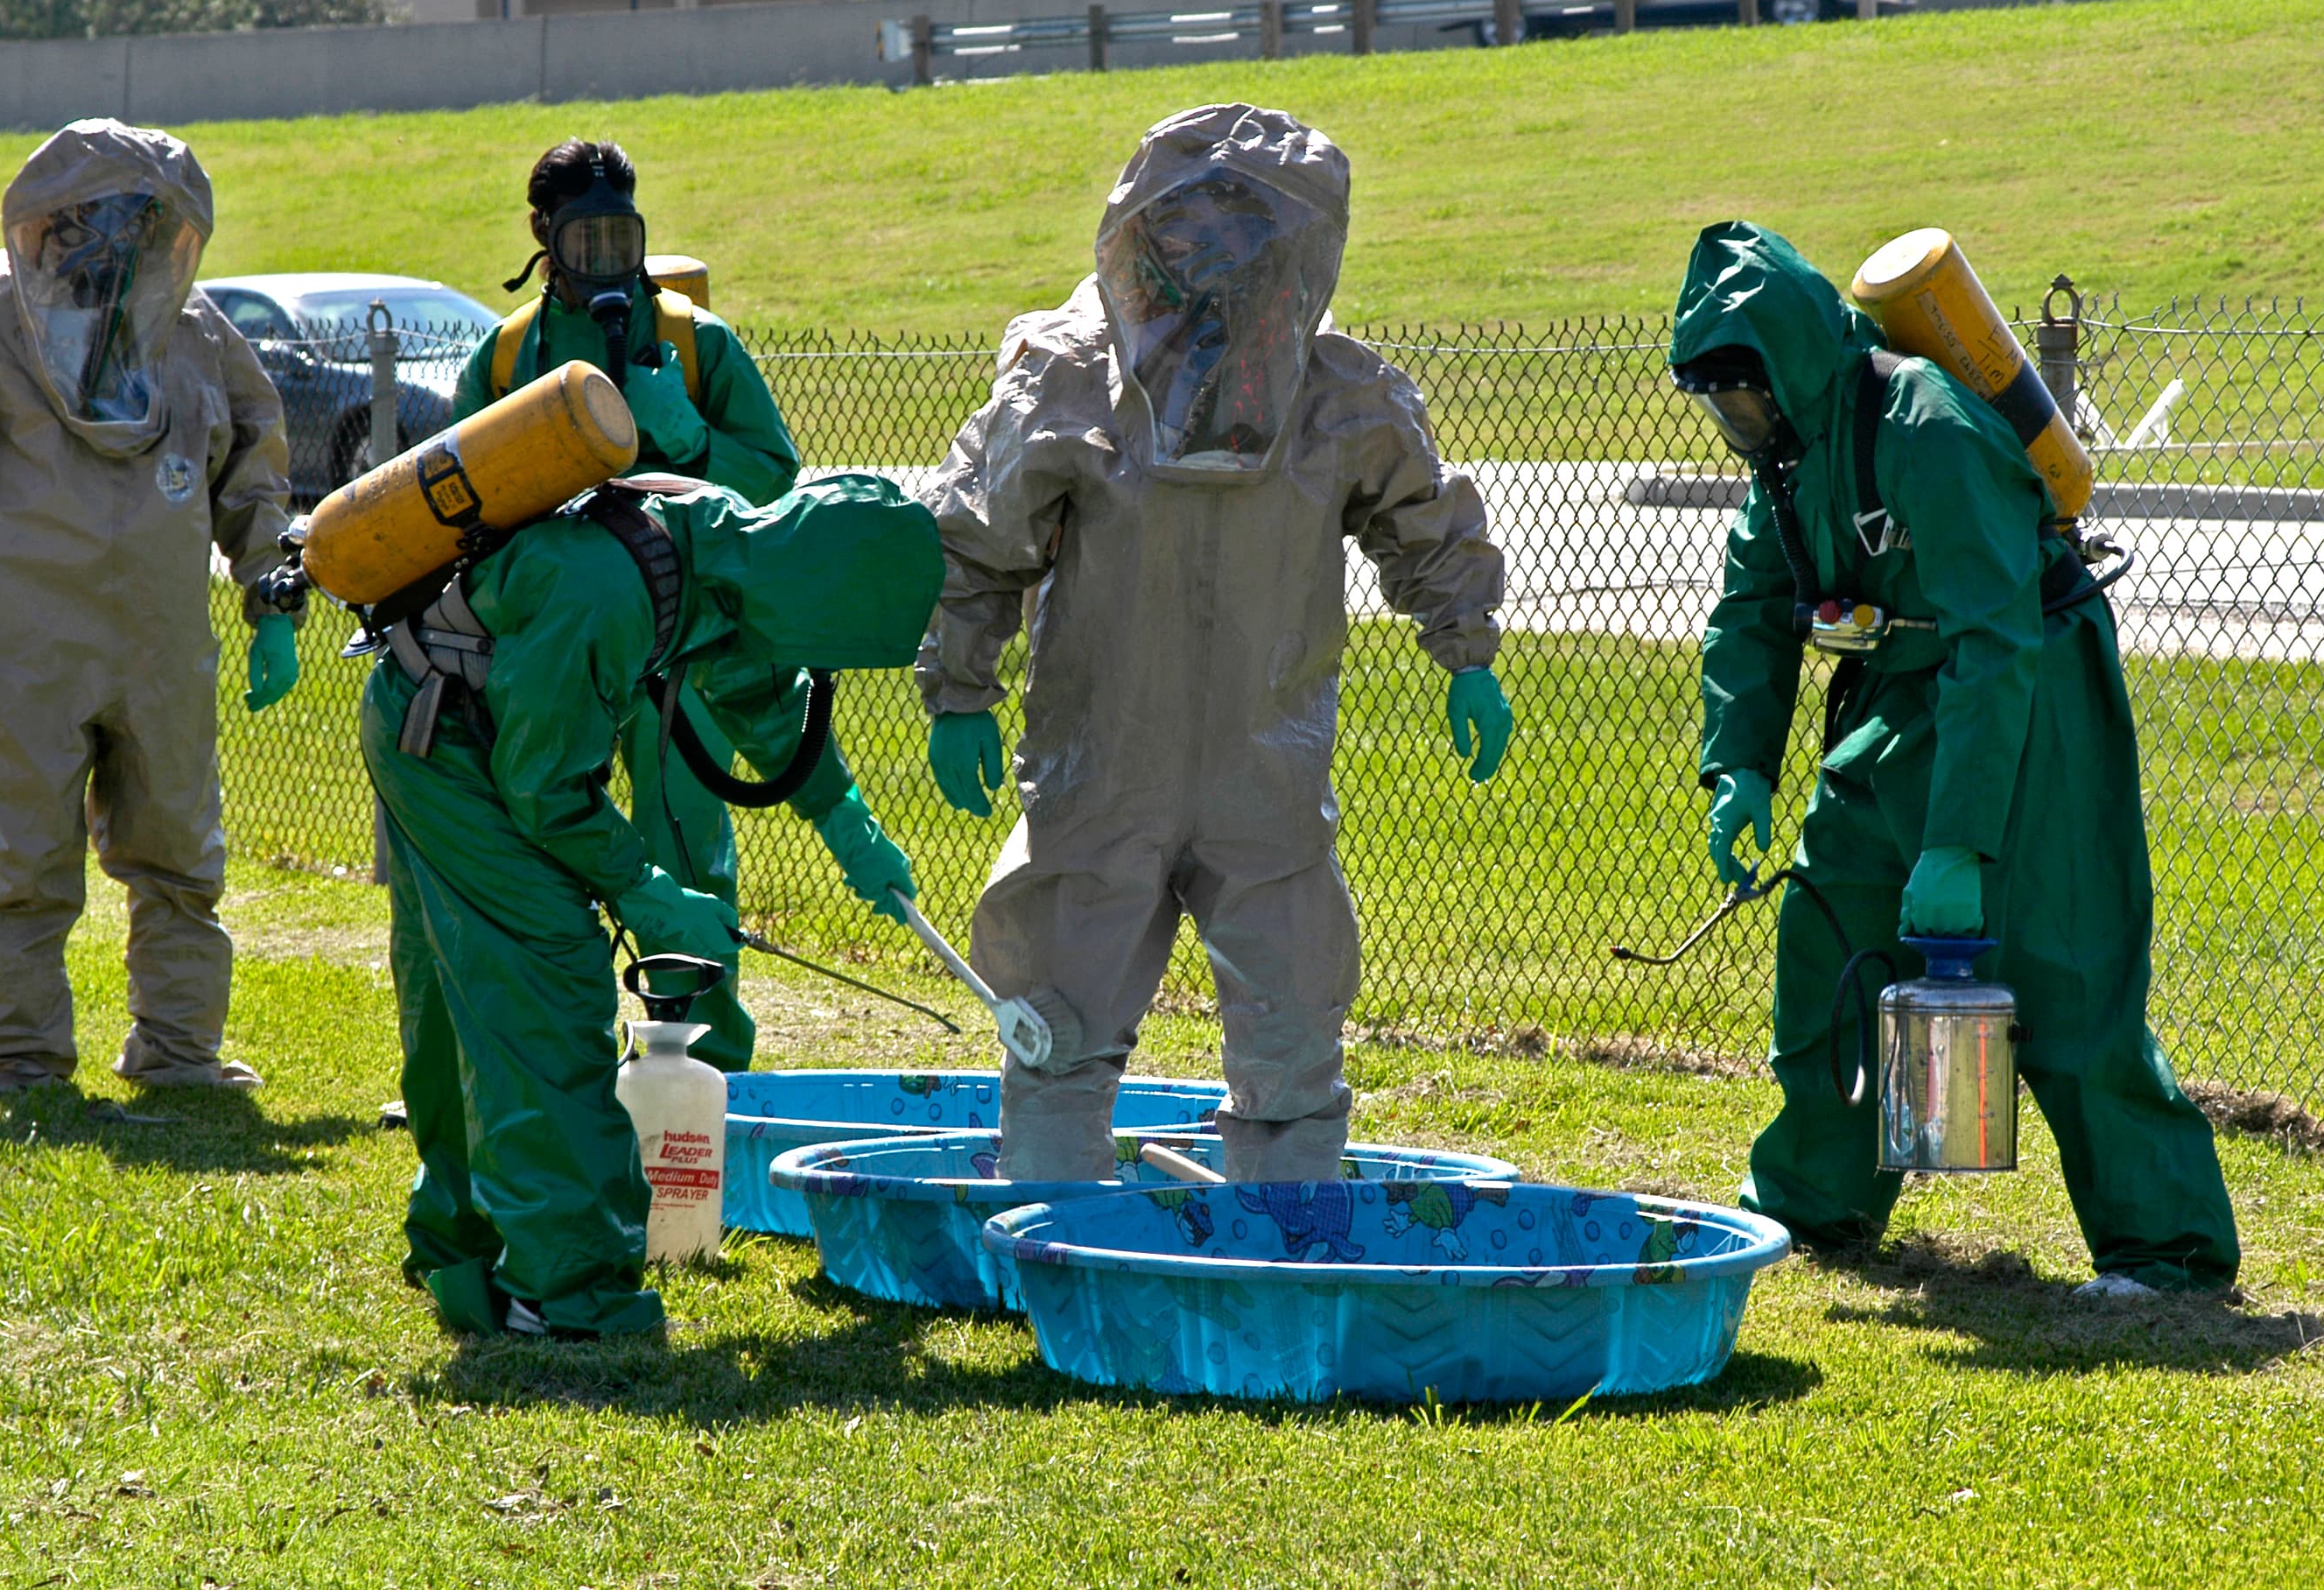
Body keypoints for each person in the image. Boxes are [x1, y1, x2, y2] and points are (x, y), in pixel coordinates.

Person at [915, 103, 1513, 1184]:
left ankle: (1283, 1251)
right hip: (1105, 767)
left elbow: (1423, 517)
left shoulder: (1335, 393)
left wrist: (1466, 651)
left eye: (1242, 247)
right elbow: (979, 535)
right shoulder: (1067, 376)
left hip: (1260, 770)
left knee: (1290, 1031)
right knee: (1057, 1022)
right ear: (1151, 243)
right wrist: (958, 689)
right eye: (1196, 241)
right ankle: (1055, 1247)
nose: (1217, 273)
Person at [1672, 219, 2238, 1298]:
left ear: (1789, 363)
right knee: (1829, 929)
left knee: (2063, 965)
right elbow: (1749, 610)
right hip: (1896, 696)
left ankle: (2164, 1251)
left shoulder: (1925, 425)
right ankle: (1814, 1199)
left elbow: (1994, 636)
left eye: (1742, 395)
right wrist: (1736, 763)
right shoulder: (1789, 455)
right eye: (1719, 404)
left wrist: (1958, 840)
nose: (1735, 421)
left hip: (2028, 693)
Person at [366, 470, 940, 1337]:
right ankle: (562, 1295)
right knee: (544, 986)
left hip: (456, 720)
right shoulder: (605, 587)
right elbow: (543, 785)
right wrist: (644, 889)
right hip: (448, 743)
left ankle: (464, 1238)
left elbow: (759, 692)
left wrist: (844, 820)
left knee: (470, 993)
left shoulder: (733, 554)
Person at [0, 118, 294, 1101]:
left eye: (138, 221)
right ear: (53, 221)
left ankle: (177, 1050)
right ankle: (20, 1054)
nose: (116, 242)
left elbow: (253, 466)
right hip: (21, 644)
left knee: (178, 852)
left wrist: (271, 598)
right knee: (25, 858)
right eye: (100, 219)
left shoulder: (189, 327)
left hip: (157, 644)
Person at [449, 137, 804, 1070]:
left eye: (622, 238)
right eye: (585, 240)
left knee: (684, 854)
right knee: (544, 841)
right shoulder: (507, 358)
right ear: (543, 235)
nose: (607, 260)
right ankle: (563, 1062)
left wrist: (691, 441)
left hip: (680, 648)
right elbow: (455, 508)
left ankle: (707, 1072)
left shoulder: (695, 344)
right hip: (553, 652)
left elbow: (775, 485)